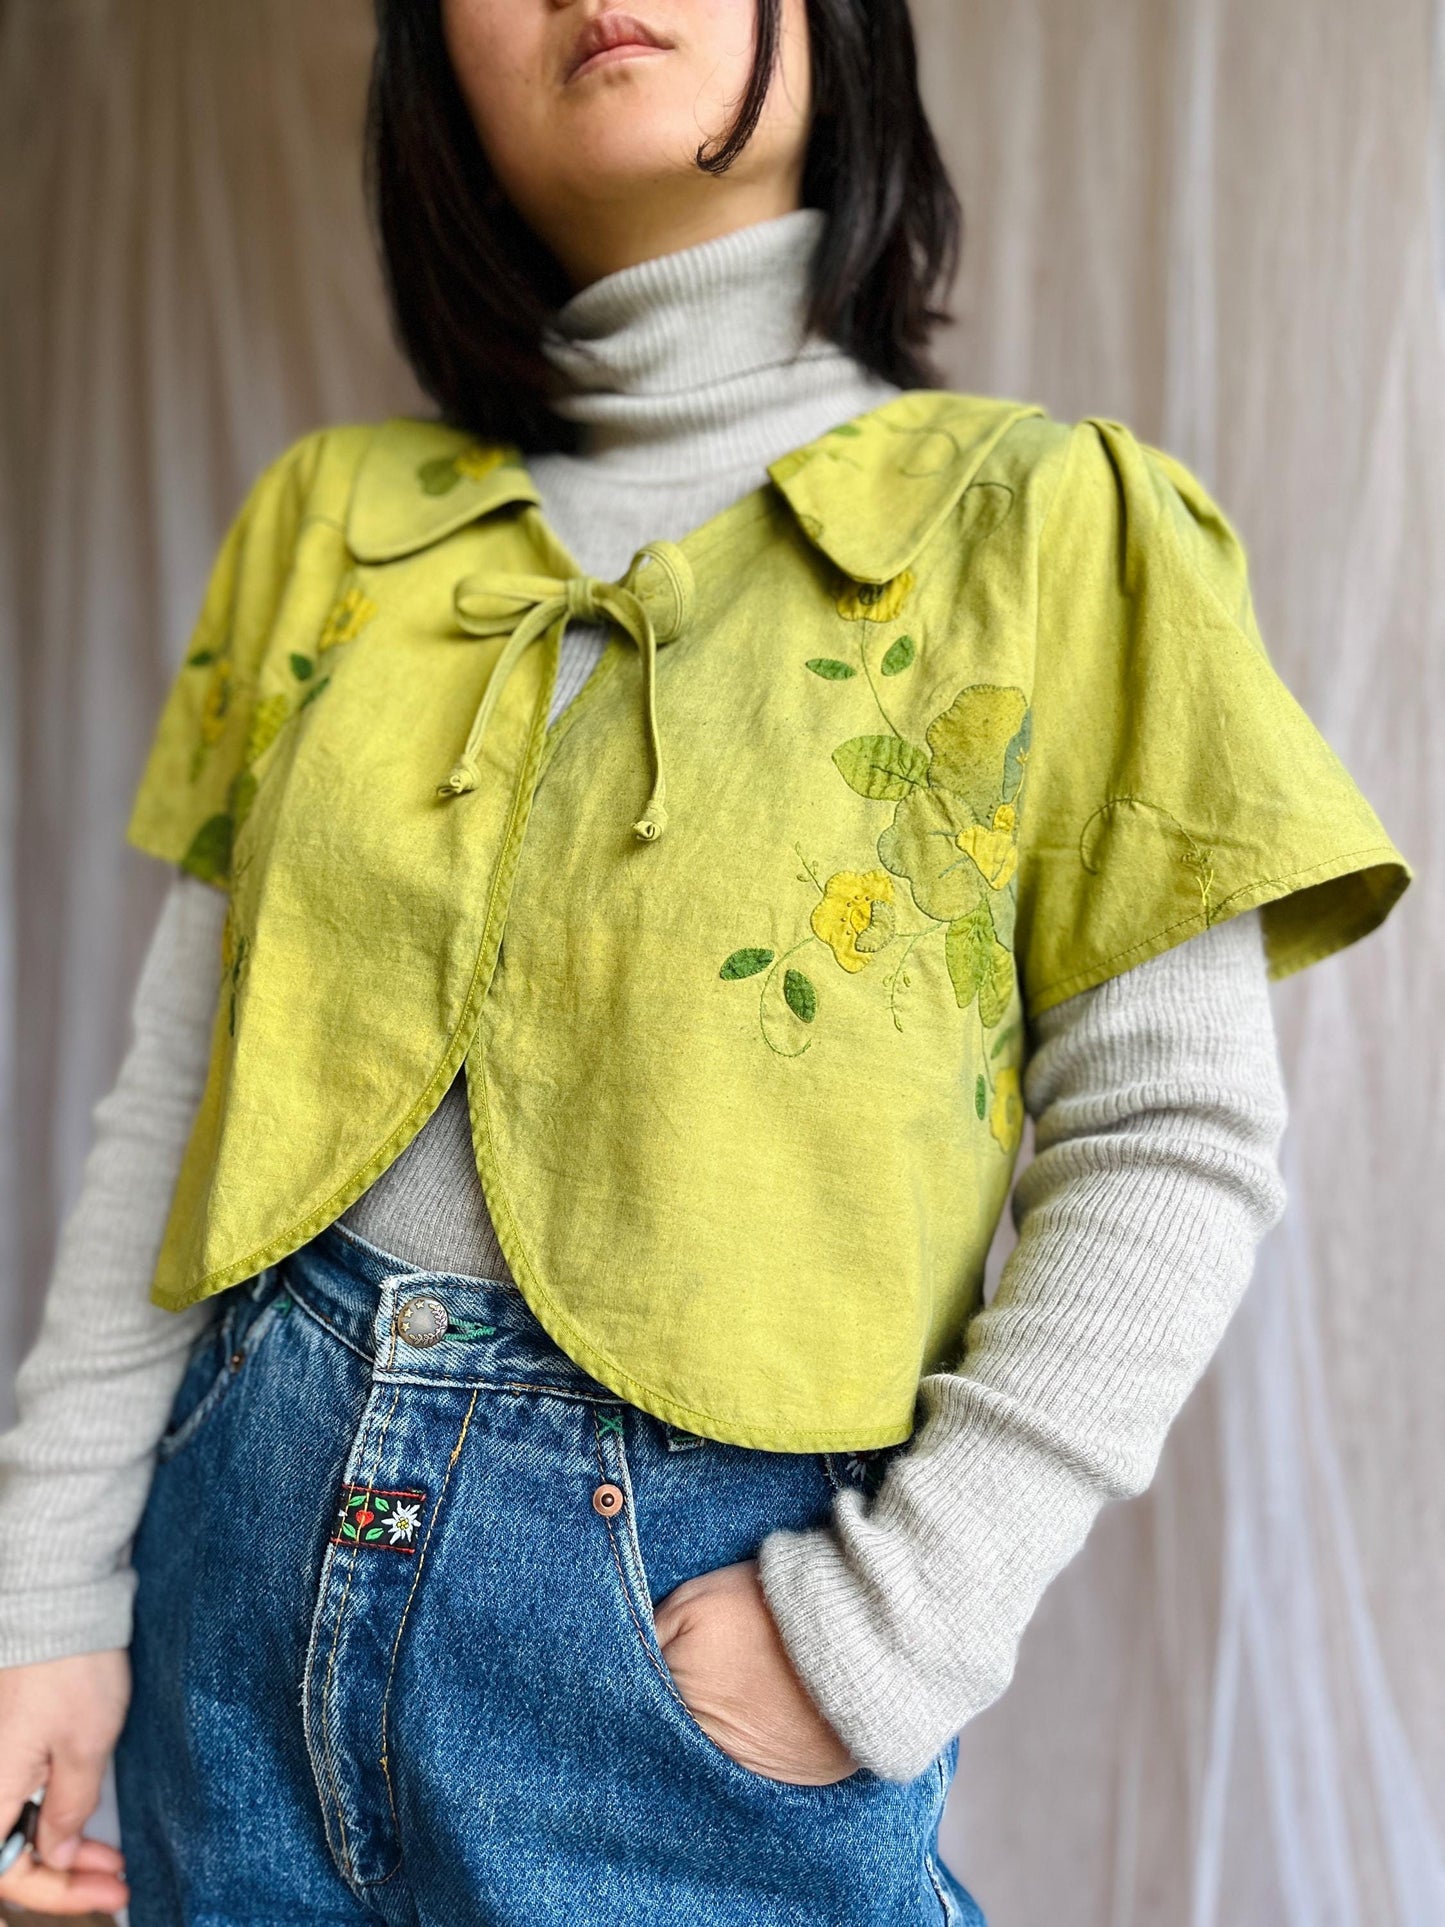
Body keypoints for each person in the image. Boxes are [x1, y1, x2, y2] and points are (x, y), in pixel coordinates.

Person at [0, 2, 1410, 1923]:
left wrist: (885, 1631)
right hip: (219, 1617)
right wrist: (46, 1593)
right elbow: (178, 1095)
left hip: (674, 1657)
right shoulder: (329, 527)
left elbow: (1169, 1137)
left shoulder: (1048, 526)